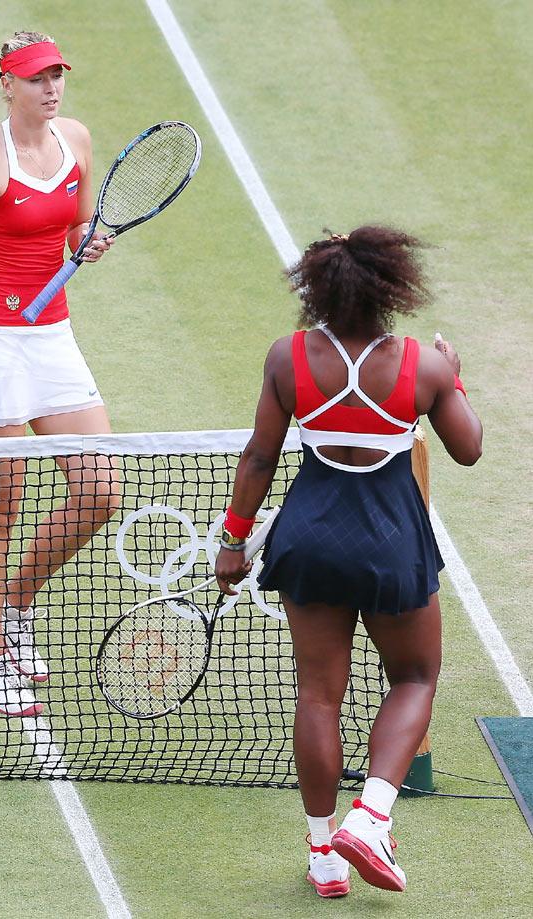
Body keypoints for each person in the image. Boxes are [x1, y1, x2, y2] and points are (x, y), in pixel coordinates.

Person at [215, 226, 482, 897]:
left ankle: (324, 852)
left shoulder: (289, 358)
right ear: (391, 288)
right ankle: (370, 816)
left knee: (318, 693)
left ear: (320, 289)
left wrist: (231, 540)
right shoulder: (423, 366)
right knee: (416, 677)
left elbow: (259, 457)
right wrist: (457, 377)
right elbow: (469, 448)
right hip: (392, 541)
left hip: (308, 541)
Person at [0, 31, 118, 718]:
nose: (51, 87)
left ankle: (14, 604)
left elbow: (75, 229)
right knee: (2, 501)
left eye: (57, 76)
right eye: (37, 78)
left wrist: (87, 241)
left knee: (100, 490)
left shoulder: (76, 139)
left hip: (52, 341)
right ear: (7, 83)